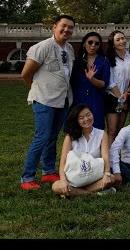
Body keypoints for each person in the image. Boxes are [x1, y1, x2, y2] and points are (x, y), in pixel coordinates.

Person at [20, 14, 76, 190]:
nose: (66, 30)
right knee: (42, 137)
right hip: (44, 99)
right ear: (54, 27)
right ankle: (27, 177)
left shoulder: (70, 49)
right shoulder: (42, 47)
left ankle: (48, 171)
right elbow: (25, 74)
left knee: (52, 137)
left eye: (70, 28)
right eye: (63, 26)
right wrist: (37, 90)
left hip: (63, 100)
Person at [52, 103, 115, 197]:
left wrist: (107, 174)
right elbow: (63, 162)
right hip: (75, 176)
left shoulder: (102, 134)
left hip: (95, 175)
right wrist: (63, 180)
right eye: (81, 118)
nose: (86, 119)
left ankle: (76, 192)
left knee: (112, 178)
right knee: (56, 186)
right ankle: (92, 193)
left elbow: (106, 157)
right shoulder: (70, 137)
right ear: (76, 121)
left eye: (88, 114)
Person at [71, 31, 110, 130]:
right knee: (77, 128)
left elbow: (104, 84)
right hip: (78, 99)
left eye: (97, 43)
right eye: (90, 42)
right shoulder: (76, 61)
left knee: (96, 128)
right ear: (84, 43)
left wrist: (92, 79)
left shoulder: (104, 61)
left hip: (95, 100)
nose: (93, 45)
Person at [105, 30, 130, 145]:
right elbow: (110, 82)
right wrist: (120, 99)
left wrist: (126, 94)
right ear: (113, 43)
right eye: (118, 39)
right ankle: (108, 158)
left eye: (123, 38)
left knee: (120, 130)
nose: (122, 41)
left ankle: (116, 156)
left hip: (126, 96)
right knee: (112, 130)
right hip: (112, 98)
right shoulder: (109, 59)